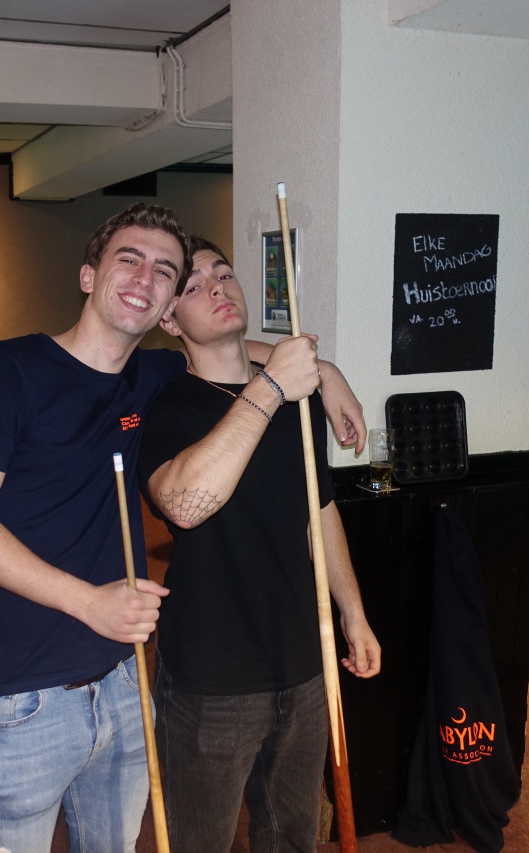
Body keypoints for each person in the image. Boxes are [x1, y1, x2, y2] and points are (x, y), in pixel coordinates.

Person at [0, 203, 366, 852]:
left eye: (165, 269)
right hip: (23, 696)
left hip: (123, 680)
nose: (146, 276)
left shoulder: (150, 376)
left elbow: (228, 351)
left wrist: (324, 372)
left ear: (165, 305)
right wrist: (89, 601)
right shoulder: (7, 370)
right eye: (128, 259)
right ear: (88, 275)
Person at [137, 236, 381, 853]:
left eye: (223, 274)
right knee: (201, 841)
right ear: (170, 320)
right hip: (211, 677)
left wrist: (353, 613)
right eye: (194, 286)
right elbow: (183, 506)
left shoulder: (297, 402)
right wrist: (277, 384)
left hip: (303, 661)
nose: (217, 287)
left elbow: (318, 511)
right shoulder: (166, 409)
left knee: (293, 837)